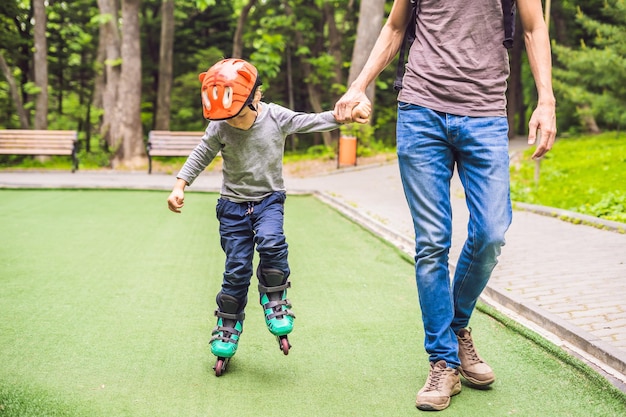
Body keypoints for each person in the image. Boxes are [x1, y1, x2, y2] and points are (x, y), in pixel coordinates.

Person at [333, 0, 556, 411]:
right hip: (420, 111)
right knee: (433, 241)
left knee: (491, 232)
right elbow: (396, 26)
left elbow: (533, 28)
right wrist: (358, 84)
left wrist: (546, 100)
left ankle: (455, 326)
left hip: (485, 113)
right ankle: (443, 361)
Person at [167, 58, 369, 377]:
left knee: (272, 242)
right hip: (232, 207)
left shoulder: (276, 117)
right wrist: (180, 185)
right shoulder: (220, 123)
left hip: (269, 201)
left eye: (235, 114)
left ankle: (275, 296)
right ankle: (227, 325)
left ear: (255, 97)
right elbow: (201, 153)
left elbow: (311, 121)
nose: (229, 122)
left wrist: (345, 117)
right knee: (236, 269)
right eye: (225, 117)